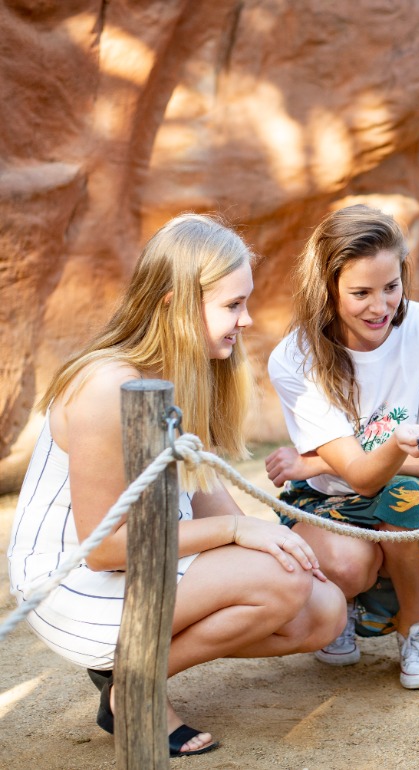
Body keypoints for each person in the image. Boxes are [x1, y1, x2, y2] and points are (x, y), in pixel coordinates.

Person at [7, 213, 347, 758]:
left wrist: (263, 536)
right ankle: (133, 686)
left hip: (149, 556)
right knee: (279, 585)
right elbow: (104, 548)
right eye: (232, 305)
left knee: (324, 607)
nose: (248, 319)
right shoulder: (106, 386)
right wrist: (237, 532)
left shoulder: (188, 370)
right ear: (176, 303)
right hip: (73, 584)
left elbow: (207, 491)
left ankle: (132, 673)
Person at [263, 203, 419, 690]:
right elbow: (355, 477)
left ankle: (413, 630)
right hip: (328, 500)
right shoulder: (294, 357)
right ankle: (347, 608)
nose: (381, 307)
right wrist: (400, 448)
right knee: (348, 564)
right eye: (360, 293)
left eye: (391, 287)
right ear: (328, 290)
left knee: (407, 496)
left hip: (408, 498)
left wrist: (312, 461)